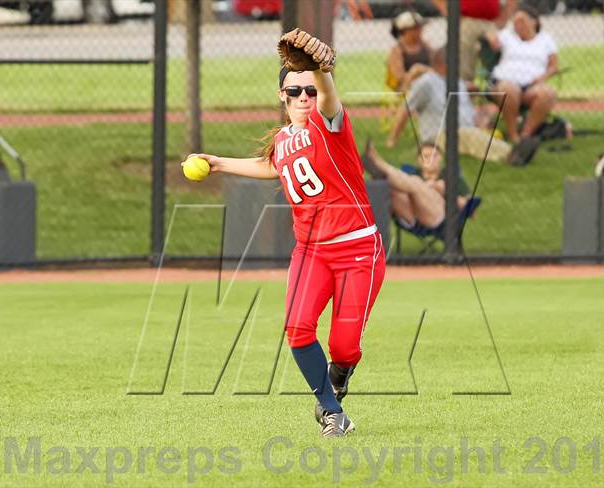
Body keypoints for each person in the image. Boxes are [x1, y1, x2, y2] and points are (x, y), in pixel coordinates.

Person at [184, 29, 385, 438]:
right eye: (295, 91)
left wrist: (320, 70)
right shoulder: (282, 140)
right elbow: (273, 165)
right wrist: (218, 163)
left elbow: (328, 97)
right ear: (282, 96)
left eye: (309, 90)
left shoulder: (330, 127)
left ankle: (339, 373)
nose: (304, 97)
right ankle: (333, 412)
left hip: (357, 249)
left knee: (344, 347)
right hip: (311, 252)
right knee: (297, 329)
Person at [387, 46, 512, 164]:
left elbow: (466, 111)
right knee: (469, 135)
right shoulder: (426, 82)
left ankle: (510, 153)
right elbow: (406, 109)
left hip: (465, 132)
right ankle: (510, 155)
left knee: (474, 134)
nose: (459, 65)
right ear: (444, 63)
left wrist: (480, 118)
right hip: (439, 137)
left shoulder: (457, 82)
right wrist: (392, 140)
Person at [484, 5, 559, 160]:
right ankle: (513, 135)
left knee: (547, 93)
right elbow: (493, 40)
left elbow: (554, 66)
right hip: (505, 81)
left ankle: (526, 134)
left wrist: (543, 77)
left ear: (534, 22)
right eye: (515, 21)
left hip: (531, 85)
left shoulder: (546, 39)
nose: (518, 25)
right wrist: (491, 36)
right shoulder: (507, 35)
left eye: (522, 20)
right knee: (508, 90)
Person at [361, 140, 474, 232]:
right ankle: (380, 175)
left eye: (434, 156)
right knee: (392, 188)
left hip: (439, 218)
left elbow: (471, 209)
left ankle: (380, 166)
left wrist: (445, 192)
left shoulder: (450, 176)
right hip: (410, 216)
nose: (431, 159)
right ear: (419, 160)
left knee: (415, 182)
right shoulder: (414, 173)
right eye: (426, 156)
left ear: (441, 157)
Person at [433, 0, 518, 87]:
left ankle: (495, 85)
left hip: (492, 22)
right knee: (463, 43)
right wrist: (450, 14)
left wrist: (504, 17)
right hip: (465, 20)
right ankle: (463, 86)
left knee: (499, 47)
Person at [386, 10, 433, 92]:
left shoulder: (425, 46)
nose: (420, 30)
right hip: (406, 90)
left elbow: (437, 67)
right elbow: (400, 79)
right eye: (416, 28)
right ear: (405, 30)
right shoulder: (397, 50)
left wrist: (422, 71)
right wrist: (416, 72)